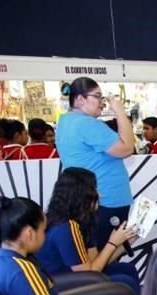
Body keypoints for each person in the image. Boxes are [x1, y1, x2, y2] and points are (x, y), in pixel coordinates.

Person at [0, 196, 114, 295]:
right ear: (29, 233)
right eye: (43, 230)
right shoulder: (21, 271)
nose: (44, 236)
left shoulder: (2, 259)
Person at [56, 77, 136, 250]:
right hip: (106, 202)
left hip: (92, 201)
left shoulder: (65, 122)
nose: (103, 103)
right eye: (98, 97)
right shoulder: (86, 124)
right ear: (79, 99)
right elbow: (128, 147)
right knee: (105, 258)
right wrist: (120, 112)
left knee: (101, 256)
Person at [36, 167, 141, 295]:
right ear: (82, 195)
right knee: (125, 281)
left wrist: (125, 243)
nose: (99, 194)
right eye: (95, 189)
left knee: (126, 269)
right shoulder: (67, 227)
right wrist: (112, 243)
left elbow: (97, 263)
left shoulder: (82, 220)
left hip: (77, 277)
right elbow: (89, 274)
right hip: (60, 286)